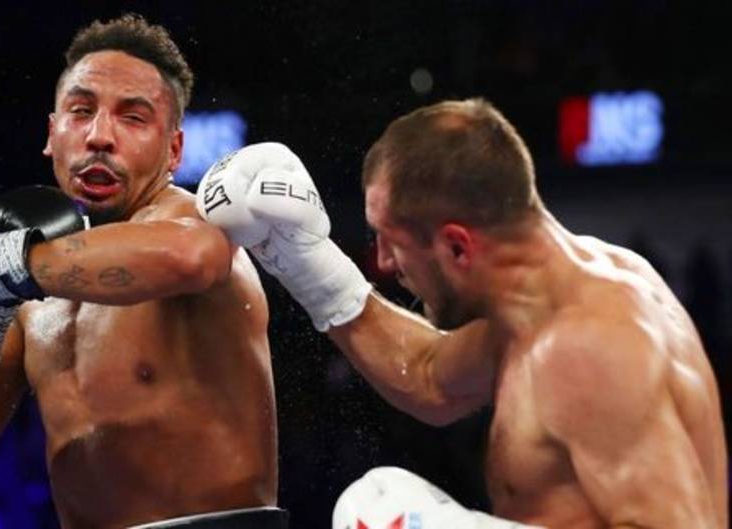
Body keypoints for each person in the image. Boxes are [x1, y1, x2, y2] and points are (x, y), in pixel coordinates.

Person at [197, 99, 728, 528]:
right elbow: (431, 375)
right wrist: (300, 258)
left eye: (391, 242)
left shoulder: (590, 347)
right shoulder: (541, 302)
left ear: (456, 246)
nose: (385, 263)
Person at [0, 14, 285, 529]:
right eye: (81, 112)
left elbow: (192, 256)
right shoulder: (30, 282)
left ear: (174, 149)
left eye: (133, 118)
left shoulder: (199, 223)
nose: (100, 136)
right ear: (52, 134)